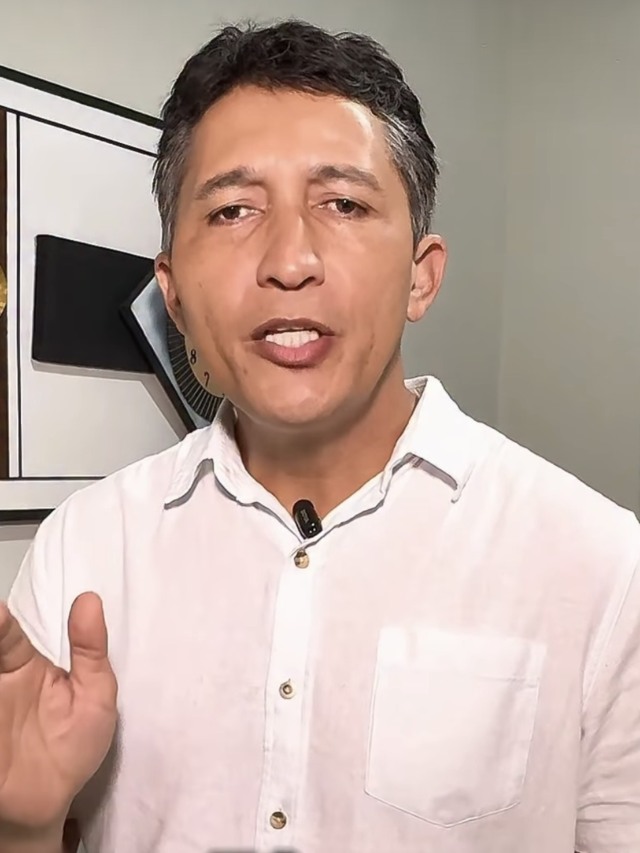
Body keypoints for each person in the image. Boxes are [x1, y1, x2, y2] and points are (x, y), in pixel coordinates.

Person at [1, 18, 639, 853]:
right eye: (233, 210)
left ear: (421, 276)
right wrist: (26, 824)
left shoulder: (598, 563)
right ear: (174, 292)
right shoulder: (82, 548)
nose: (290, 260)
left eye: (343, 204)